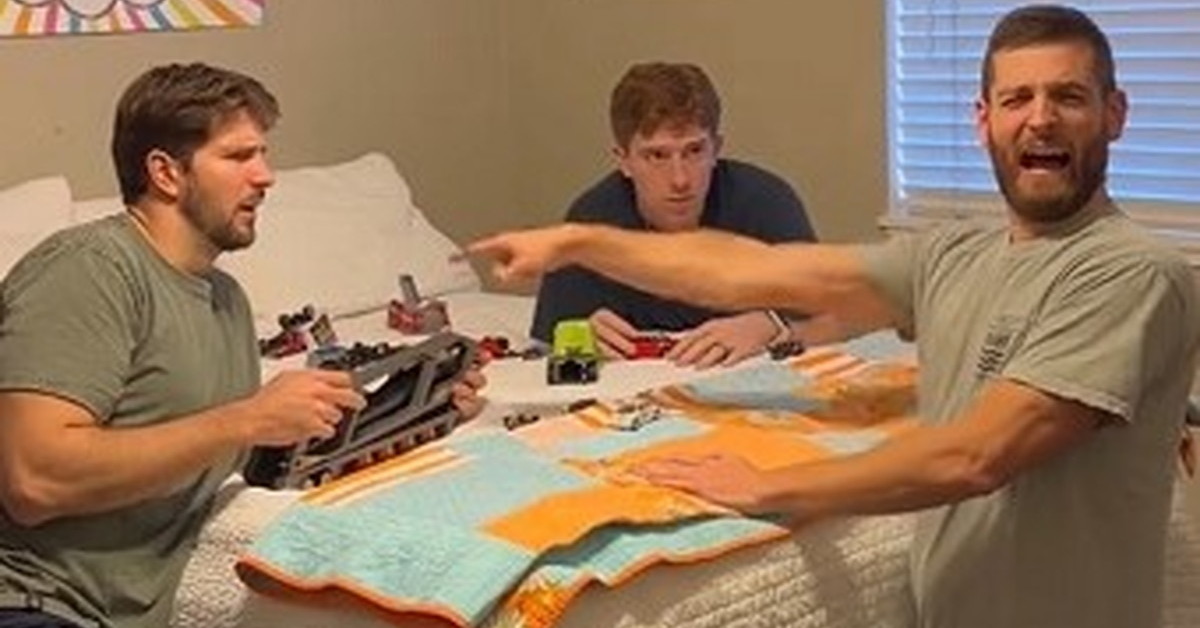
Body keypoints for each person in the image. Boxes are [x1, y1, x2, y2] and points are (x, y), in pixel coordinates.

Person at [468, 5, 1199, 627]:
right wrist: (583, 242)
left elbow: (976, 456)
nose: (1039, 119)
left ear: (1114, 114)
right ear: (983, 121)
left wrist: (772, 485)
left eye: (1068, 96)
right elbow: (748, 270)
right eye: (1016, 99)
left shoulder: (1135, 273)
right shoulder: (953, 256)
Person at [0, 63, 484, 628]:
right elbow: (34, 479)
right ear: (166, 172)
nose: (265, 176)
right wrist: (245, 419)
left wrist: (413, 412)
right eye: (238, 156)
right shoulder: (91, 270)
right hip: (29, 601)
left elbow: (220, 458)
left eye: (263, 154)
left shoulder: (226, 300)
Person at [530, 62, 817, 368]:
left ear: (716, 149)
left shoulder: (765, 201)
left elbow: (833, 306)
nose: (680, 179)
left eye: (694, 151)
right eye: (657, 155)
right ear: (623, 160)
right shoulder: (590, 222)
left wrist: (770, 323)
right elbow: (549, 342)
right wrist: (579, 335)